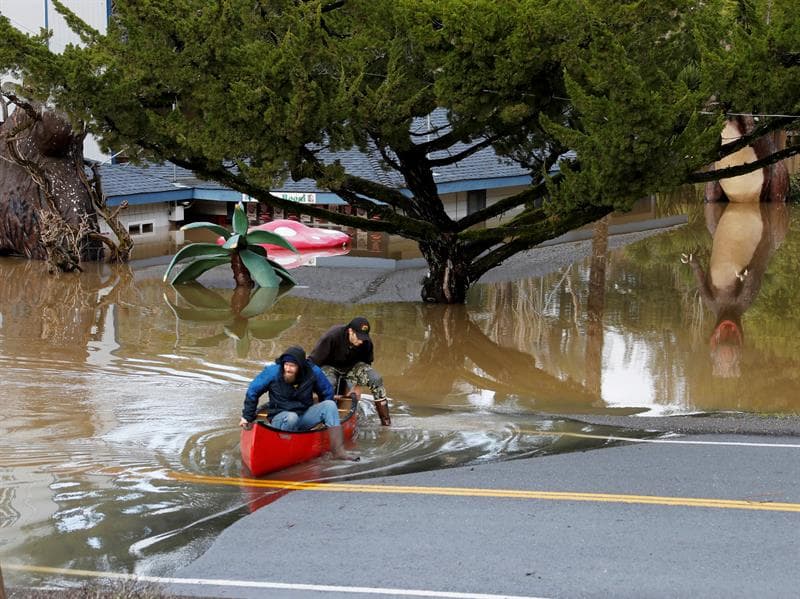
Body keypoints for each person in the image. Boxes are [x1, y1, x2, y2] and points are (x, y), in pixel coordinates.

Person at [239, 345, 355, 460]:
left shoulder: (312, 371)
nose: (288, 369)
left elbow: (326, 391)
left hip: (303, 415)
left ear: (300, 366)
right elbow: (252, 391)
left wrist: (326, 420)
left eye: (292, 366)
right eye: (286, 365)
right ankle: (286, 448)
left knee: (330, 405)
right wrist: (247, 417)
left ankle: (338, 451)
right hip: (280, 417)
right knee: (291, 417)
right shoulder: (273, 372)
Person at [309, 316, 391, 426]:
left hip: (352, 368)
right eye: (358, 337)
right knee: (328, 383)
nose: (361, 341)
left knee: (376, 379)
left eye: (363, 338)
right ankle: (322, 419)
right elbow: (312, 362)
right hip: (329, 367)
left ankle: (386, 423)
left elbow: (366, 364)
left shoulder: (366, 342)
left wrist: (358, 386)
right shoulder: (332, 336)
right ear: (350, 331)